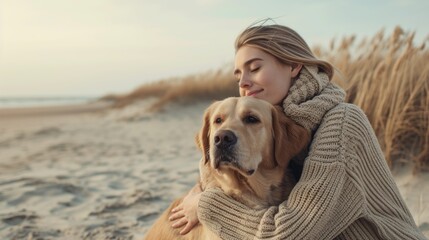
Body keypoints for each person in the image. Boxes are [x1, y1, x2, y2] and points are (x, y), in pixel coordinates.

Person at [168, 23, 427, 239]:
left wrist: (205, 205)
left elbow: (291, 233)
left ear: (294, 66)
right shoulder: (274, 124)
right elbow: (212, 164)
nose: (244, 82)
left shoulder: (343, 122)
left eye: (255, 68)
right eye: (238, 76)